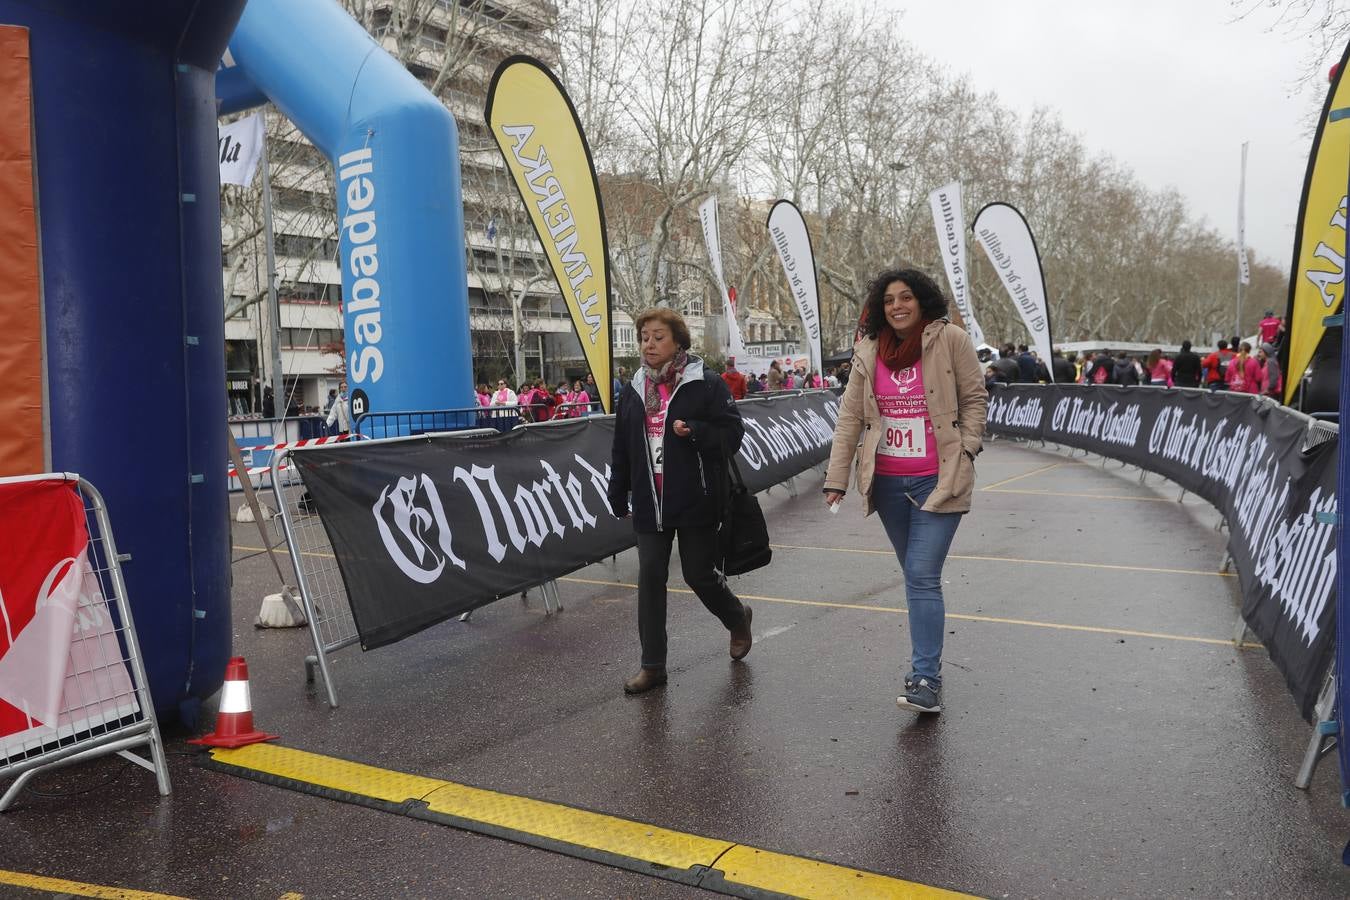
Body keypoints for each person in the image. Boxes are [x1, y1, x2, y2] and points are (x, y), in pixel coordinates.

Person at [823, 268, 987, 714]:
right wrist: (837, 478)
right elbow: (850, 419)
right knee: (917, 578)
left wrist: (967, 449)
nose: (897, 306)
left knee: (920, 575)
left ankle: (925, 679)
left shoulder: (950, 339)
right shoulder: (868, 349)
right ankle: (926, 671)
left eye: (906, 297)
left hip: (940, 479)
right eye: (889, 299)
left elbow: (975, 398)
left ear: (922, 301)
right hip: (888, 483)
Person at [608, 307, 753, 694]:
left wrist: (696, 432)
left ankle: (737, 617)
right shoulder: (635, 388)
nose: (649, 344)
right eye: (644, 338)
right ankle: (652, 666)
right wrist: (617, 488)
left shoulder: (704, 383)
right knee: (651, 577)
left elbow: (733, 433)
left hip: (694, 497)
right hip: (649, 500)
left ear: (678, 342)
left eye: (658, 337)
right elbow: (622, 444)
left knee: (698, 574)